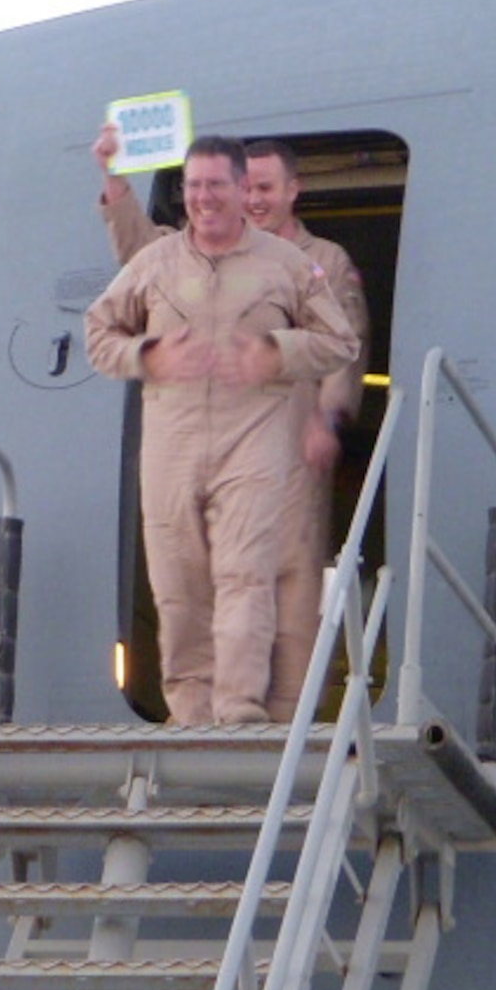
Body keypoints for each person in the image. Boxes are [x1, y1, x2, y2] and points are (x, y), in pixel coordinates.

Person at [95, 125, 370, 720]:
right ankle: (197, 712)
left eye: (262, 188)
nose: (253, 202)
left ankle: (274, 713)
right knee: (185, 576)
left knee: (283, 580)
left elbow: (346, 342)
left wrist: (327, 414)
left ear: (286, 190)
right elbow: (136, 260)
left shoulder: (312, 262)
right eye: (195, 186)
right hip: (189, 436)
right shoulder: (173, 256)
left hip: (284, 438)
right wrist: (116, 185)